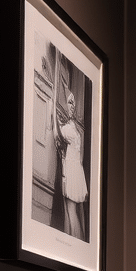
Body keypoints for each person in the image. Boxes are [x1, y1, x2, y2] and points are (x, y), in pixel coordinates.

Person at [55, 90, 88, 241]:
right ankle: (74, 241)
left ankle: (75, 242)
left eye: (73, 103)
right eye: (69, 102)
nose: (72, 106)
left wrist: (55, 116)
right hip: (74, 170)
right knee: (70, 211)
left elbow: (60, 133)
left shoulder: (70, 128)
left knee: (71, 210)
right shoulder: (73, 126)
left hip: (72, 171)